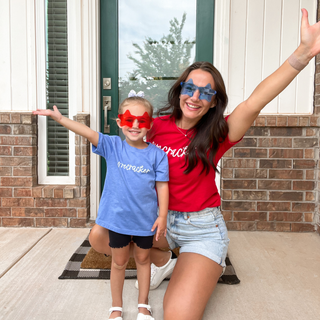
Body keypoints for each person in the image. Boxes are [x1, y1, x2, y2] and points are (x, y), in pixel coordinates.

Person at [89, 8, 320, 320]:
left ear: (213, 100)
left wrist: (302, 55)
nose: (196, 96)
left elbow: (255, 101)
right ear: (180, 90)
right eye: (190, 88)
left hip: (201, 227)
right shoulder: (154, 126)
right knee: (100, 237)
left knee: (178, 315)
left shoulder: (218, 132)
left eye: (206, 92)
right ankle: (161, 261)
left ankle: (196, 262)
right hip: (159, 222)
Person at [33, 92, 169, 320]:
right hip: (117, 221)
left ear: (150, 125)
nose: (135, 125)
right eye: (129, 119)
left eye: (142, 121)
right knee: (119, 262)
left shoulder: (157, 155)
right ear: (119, 122)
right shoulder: (112, 146)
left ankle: (143, 306)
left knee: (143, 261)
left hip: (145, 221)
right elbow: (86, 132)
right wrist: (60, 119)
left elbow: (162, 186)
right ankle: (116, 307)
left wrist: (162, 215)